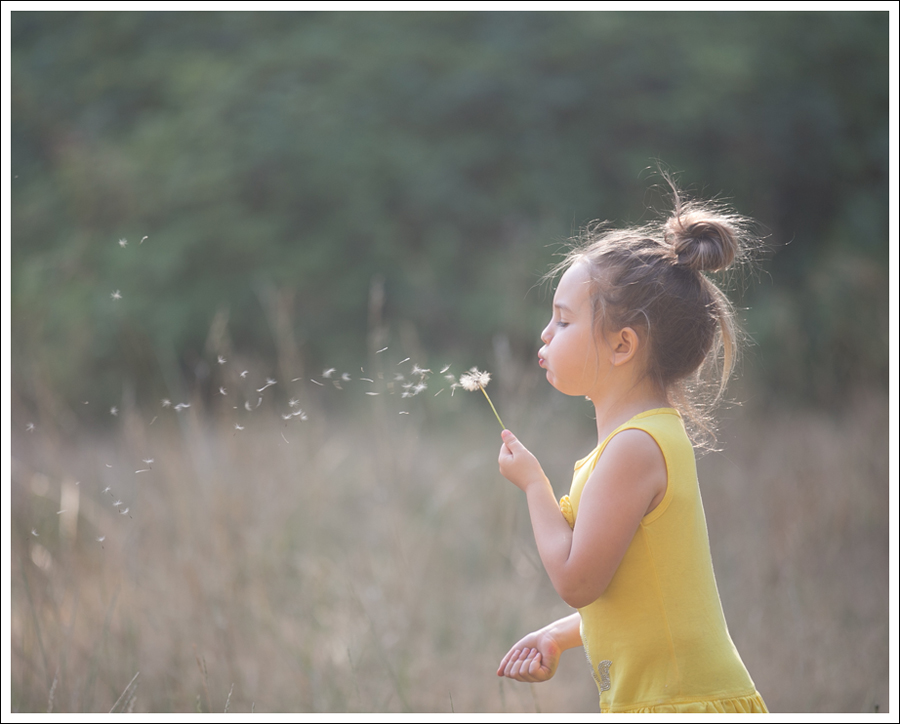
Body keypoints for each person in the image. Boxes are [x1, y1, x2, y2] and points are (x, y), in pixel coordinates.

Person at [496, 181, 768, 713]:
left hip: (678, 705)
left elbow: (577, 580)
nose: (546, 334)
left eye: (565, 319)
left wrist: (534, 486)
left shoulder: (635, 449)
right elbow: (638, 595)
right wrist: (556, 636)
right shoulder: (640, 440)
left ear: (623, 345)